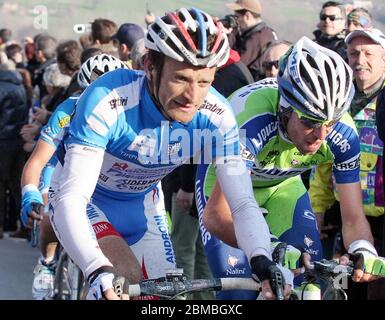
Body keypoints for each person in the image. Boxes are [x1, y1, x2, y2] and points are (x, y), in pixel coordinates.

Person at [41, 7, 294, 300]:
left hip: (144, 201)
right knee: (122, 278)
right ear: (150, 65)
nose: (192, 97)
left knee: (168, 296)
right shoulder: (109, 99)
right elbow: (73, 197)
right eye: (181, 79)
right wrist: (97, 269)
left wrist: (261, 258)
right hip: (87, 198)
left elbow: (241, 203)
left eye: (204, 82)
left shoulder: (217, 115)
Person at [196, 36, 385, 300]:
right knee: (241, 292)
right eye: (310, 121)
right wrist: (269, 247)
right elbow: (216, 216)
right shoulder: (249, 121)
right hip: (224, 191)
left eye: (329, 122)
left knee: (310, 286)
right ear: (286, 108)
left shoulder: (343, 135)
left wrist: (363, 248)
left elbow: (353, 218)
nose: (321, 134)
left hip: (282, 187)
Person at [20, 54, 128, 300]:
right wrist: (30, 194)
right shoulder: (69, 109)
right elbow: (37, 161)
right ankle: (46, 262)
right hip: (61, 168)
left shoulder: (127, 110)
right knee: (48, 216)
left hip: (104, 180)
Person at [310, 28, 385, 300]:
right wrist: (316, 210)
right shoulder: (336, 100)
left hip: (381, 222)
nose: (359, 60)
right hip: (346, 220)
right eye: (353, 53)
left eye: (368, 53)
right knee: (342, 290)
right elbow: (322, 162)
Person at [225, 0, 277, 81]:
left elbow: (235, 64)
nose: (236, 21)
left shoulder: (257, 39)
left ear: (247, 16)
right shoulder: (264, 33)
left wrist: (230, 34)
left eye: (237, 17)